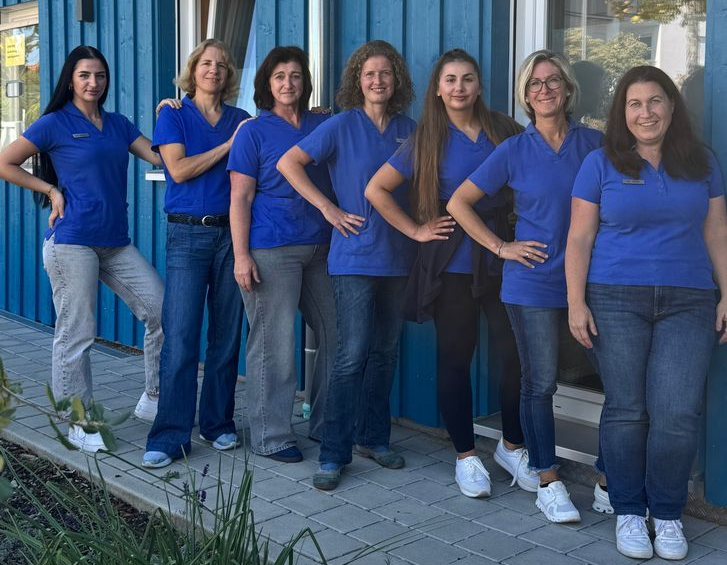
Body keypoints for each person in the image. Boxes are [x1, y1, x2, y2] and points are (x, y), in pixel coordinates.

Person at [566, 65, 727, 560]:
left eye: (655, 101)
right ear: (623, 113)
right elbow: (579, 237)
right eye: (634, 104)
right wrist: (576, 302)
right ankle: (630, 510)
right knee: (626, 408)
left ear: (672, 106)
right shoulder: (599, 163)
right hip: (615, 298)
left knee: (676, 412)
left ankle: (668, 513)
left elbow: (717, 231)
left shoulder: (701, 161)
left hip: (690, 300)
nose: (646, 112)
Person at [365, 49, 535, 498]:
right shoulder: (426, 139)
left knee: (515, 356)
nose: (459, 87)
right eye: (451, 80)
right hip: (453, 264)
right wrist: (416, 230)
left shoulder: (504, 129)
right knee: (456, 358)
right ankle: (465, 455)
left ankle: (512, 446)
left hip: (503, 258)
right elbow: (376, 189)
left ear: (479, 86)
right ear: (438, 89)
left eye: (467, 79)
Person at [447, 49, 603, 523]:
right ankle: (547, 481)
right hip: (531, 282)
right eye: (535, 83)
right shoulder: (514, 149)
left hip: (592, 281)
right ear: (526, 95)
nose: (545, 89)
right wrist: (501, 247)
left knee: (617, 382)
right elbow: (458, 202)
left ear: (568, 89)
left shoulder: (595, 144)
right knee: (539, 383)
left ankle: (608, 480)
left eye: (553, 81)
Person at [0, 45, 164, 452]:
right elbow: (5, 163)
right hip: (72, 242)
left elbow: (161, 158)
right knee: (77, 333)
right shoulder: (55, 123)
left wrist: (174, 116)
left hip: (115, 243)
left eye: (100, 75)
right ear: (71, 80)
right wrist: (50, 190)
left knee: (162, 309)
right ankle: (77, 421)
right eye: (85, 75)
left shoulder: (119, 124)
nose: (93, 83)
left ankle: (154, 397)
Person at [278, 40, 416, 490]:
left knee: (385, 352)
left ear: (396, 80)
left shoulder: (410, 130)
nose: (378, 81)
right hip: (354, 257)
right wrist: (328, 208)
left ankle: (374, 438)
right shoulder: (340, 125)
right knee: (350, 355)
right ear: (358, 79)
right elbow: (289, 163)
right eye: (369, 73)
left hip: (398, 257)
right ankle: (333, 454)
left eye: (385, 73)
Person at [142, 39, 250, 468]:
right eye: (206, 63)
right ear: (193, 69)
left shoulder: (241, 119)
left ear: (229, 74)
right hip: (187, 235)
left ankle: (217, 424)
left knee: (226, 336)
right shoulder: (173, 114)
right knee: (181, 336)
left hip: (232, 236)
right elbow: (179, 169)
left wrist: (315, 117)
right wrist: (228, 146)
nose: (214, 70)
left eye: (222, 64)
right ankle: (170, 436)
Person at [227, 46, 336, 463]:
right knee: (274, 342)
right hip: (272, 248)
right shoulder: (253, 132)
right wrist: (241, 255)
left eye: (295, 75)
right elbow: (240, 198)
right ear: (267, 84)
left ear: (305, 82)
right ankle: (270, 435)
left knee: (338, 332)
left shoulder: (322, 123)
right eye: (279, 76)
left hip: (323, 246)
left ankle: (326, 424)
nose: (288, 83)